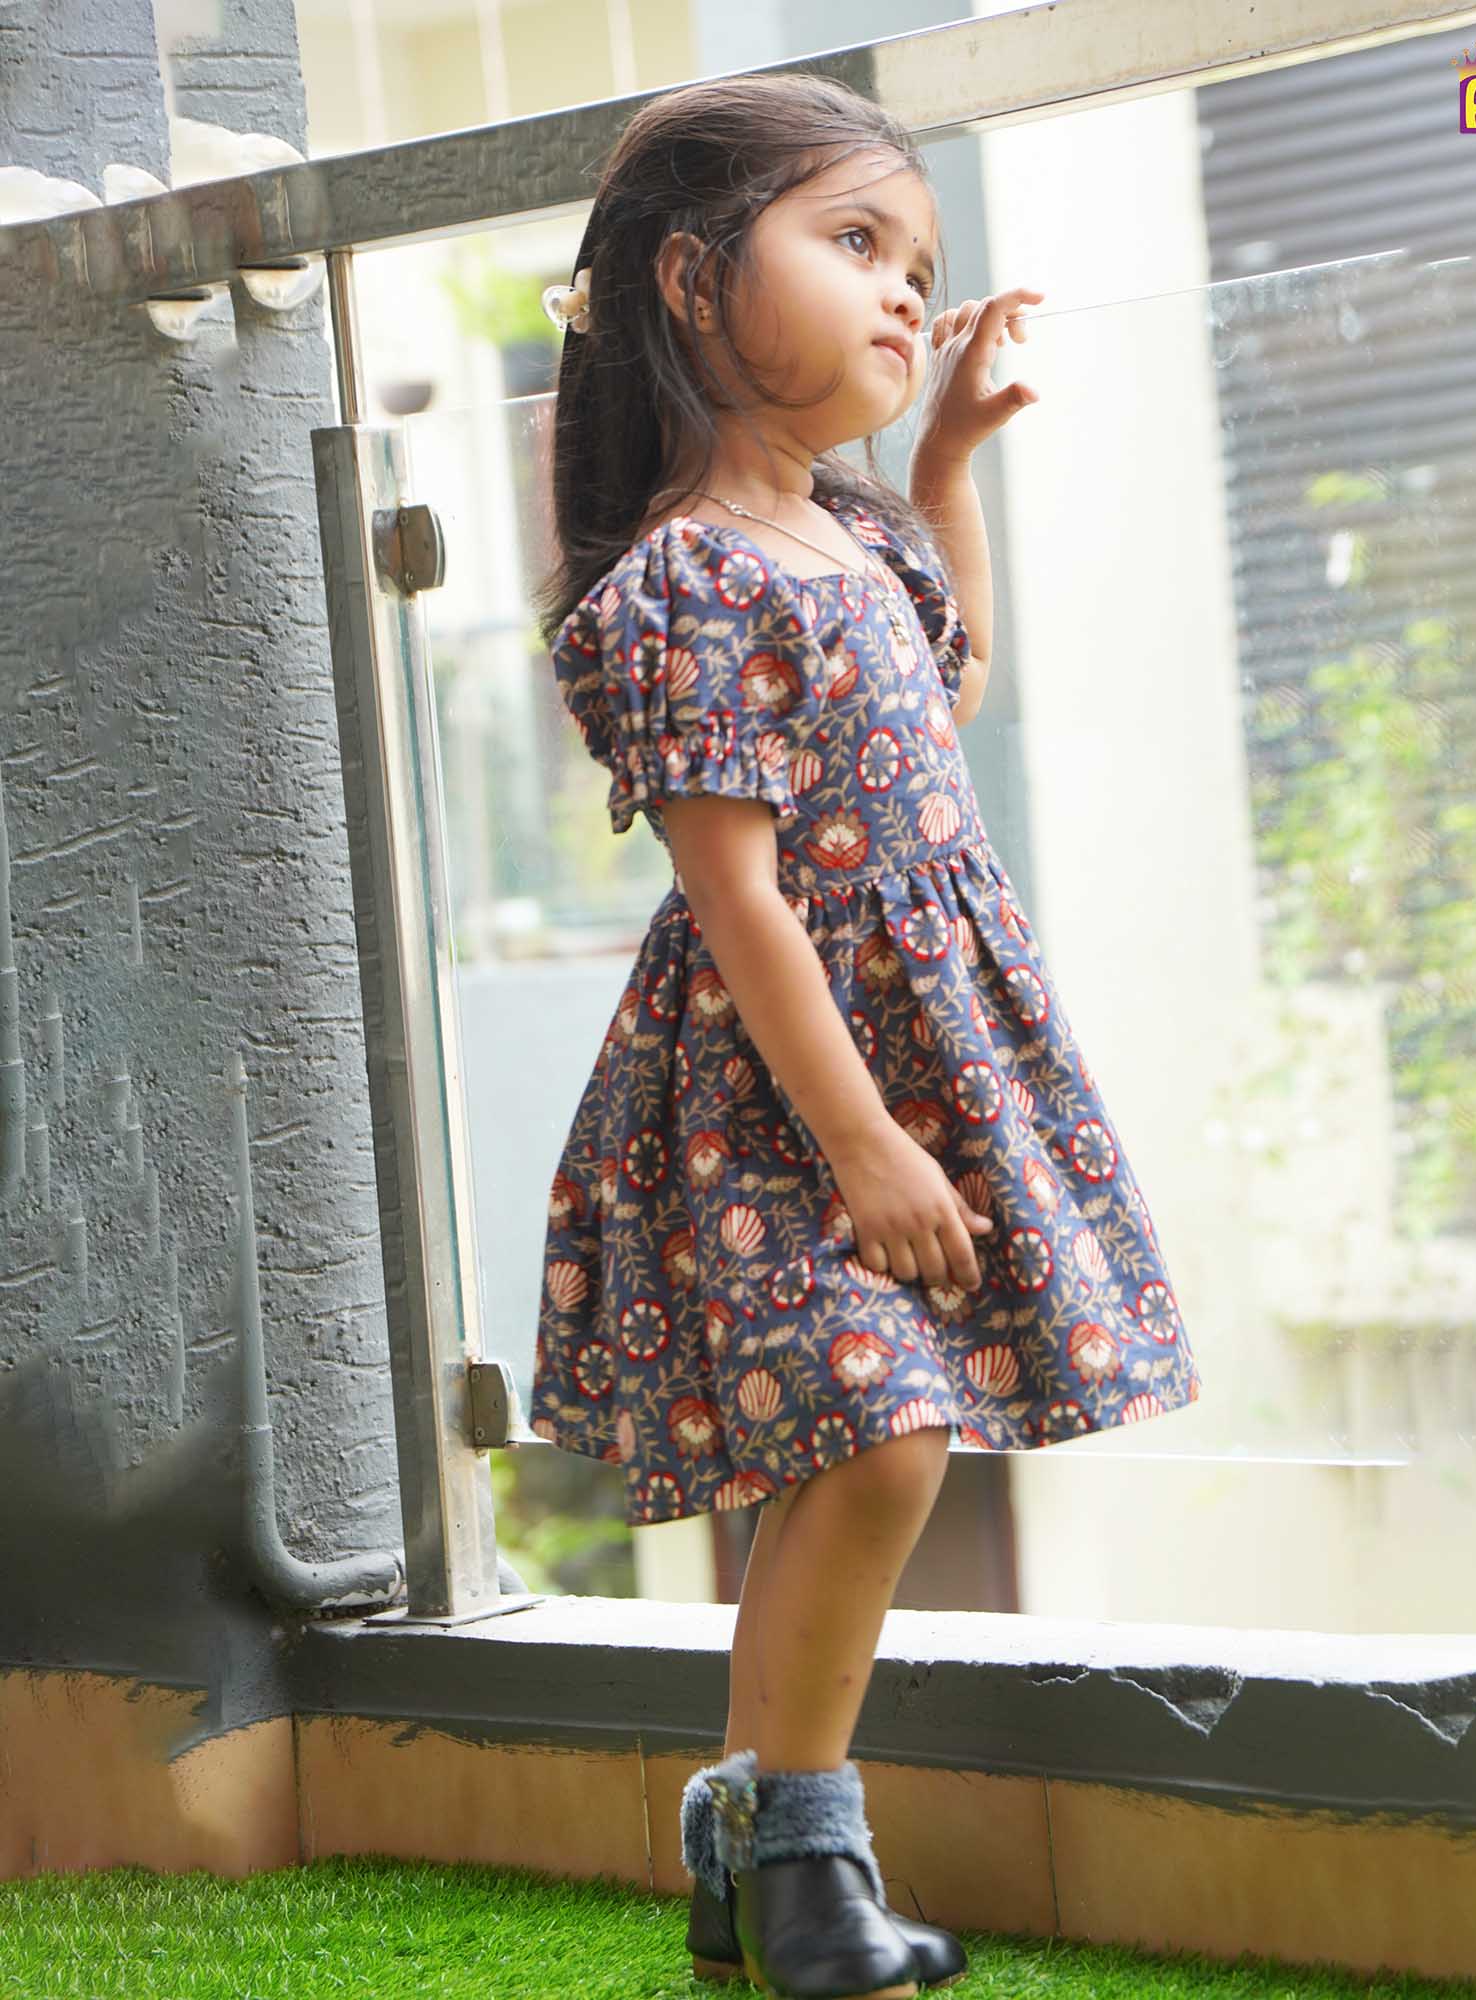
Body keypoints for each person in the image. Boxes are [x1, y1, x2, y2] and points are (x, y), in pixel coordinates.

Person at [529, 69, 1204, 2000]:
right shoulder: (685, 581)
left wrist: (952, 467)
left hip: (909, 1050)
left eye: (919, 258)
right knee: (881, 1433)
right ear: (688, 282)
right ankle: (804, 1846)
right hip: (782, 1083)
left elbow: (943, 687)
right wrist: (864, 1141)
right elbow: (738, 896)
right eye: (853, 242)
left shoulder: (848, 535)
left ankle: (763, 1856)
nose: (907, 290)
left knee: (869, 1440)